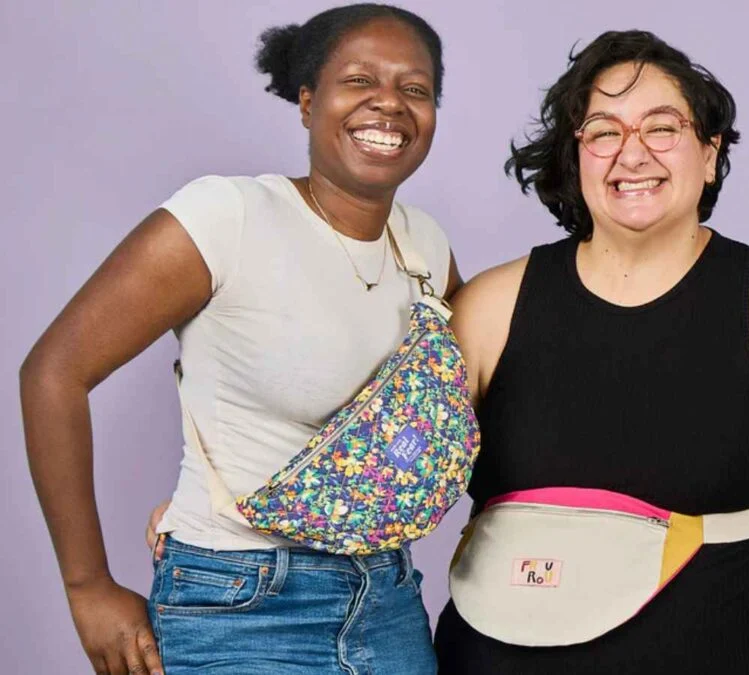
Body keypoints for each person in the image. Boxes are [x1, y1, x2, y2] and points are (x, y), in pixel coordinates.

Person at [19, 5, 459, 673]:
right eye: (359, 80)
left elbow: (474, 394)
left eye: (415, 88)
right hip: (242, 603)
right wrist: (87, 586)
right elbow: (53, 372)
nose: (389, 105)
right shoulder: (228, 217)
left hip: (388, 600)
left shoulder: (423, 242)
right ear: (308, 102)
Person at [432, 29, 749, 674]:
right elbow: (391, 477)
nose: (633, 154)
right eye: (603, 131)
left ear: (710, 154)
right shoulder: (488, 308)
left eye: (662, 128)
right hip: (507, 654)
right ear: (576, 158)